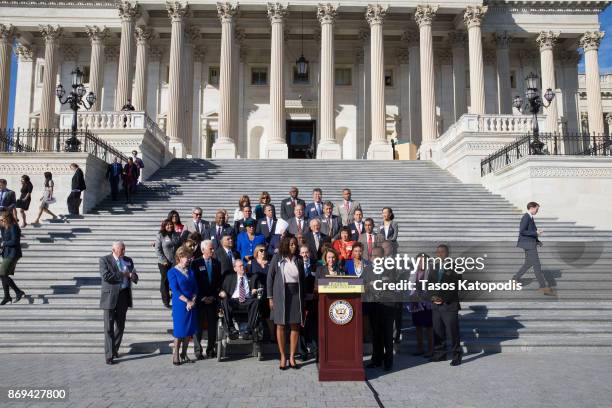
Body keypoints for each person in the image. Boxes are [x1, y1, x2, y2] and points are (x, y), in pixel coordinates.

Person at [267, 235, 305, 370]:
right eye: (291, 244)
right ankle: (283, 356)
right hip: (280, 294)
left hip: (296, 294)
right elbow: (270, 278)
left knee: (295, 325)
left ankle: (292, 357)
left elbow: (303, 280)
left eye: (295, 244)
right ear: (285, 245)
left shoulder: (299, 260)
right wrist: (270, 297)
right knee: (281, 325)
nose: (294, 246)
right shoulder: (277, 258)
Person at [99, 241, 138, 365]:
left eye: (124, 249)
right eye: (122, 249)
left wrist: (133, 276)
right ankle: (109, 355)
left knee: (120, 326)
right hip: (110, 297)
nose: (124, 252)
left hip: (123, 296)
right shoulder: (104, 260)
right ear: (114, 250)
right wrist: (123, 274)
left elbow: (134, 275)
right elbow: (106, 276)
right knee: (108, 327)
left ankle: (114, 348)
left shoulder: (128, 260)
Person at [428, 244, 462, 366]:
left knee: (452, 332)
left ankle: (456, 355)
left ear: (448, 253)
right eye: (438, 252)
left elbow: (457, 286)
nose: (440, 254)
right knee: (438, 330)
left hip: (449, 305)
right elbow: (429, 284)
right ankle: (440, 354)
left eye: (442, 252)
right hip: (436, 306)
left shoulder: (455, 266)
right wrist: (432, 297)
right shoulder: (434, 267)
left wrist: (442, 298)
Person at [513, 202, 554, 295]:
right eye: (537, 209)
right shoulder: (526, 217)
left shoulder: (530, 217)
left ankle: (514, 279)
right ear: (531, 207)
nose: (537, 211)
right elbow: (522, 231)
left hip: (530, 243)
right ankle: (543, 287)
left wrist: (537, 240)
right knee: (537, 266)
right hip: (528, 245)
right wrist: (536, 233)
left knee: (528, 263)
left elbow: (531, 231)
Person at [364, 246, 395, 371]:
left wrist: (377, 284)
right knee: (376, 334)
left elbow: (391, 283)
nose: (374, 258)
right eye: (372, 256)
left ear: (383, 257)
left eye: (377, 256)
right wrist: (368, 285)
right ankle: (376, 360)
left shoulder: (390, 268)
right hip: (373, 305)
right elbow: (361, 283)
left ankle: (388, 361)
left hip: (387, 305)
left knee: (387, 335)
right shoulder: (367, 269)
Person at [167, 245, 199, 365]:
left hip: (191, 304)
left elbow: (196, 287)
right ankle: (176, 354)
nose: (189, 259)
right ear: (180, 257)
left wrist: (193, 300)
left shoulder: (190, 271)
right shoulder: (172, 272)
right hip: (180, 304)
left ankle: (184, 353)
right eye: (187, 257)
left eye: (190, 257)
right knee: (179, 331)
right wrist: (187, 301)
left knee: (189, 330)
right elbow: (175, 290)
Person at [192, 240, 222, 359]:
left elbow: (218, 282)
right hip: (200, 300)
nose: (213, 251)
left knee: (212, 327)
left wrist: (213, 296)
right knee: (198, 327)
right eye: (211, 249)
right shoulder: (195, 263)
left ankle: (211, 350)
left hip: (212, 300)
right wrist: (202, 297)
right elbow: (194, 282)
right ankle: (198, 351)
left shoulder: (216, 263)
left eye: (213, 248)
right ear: (203, 250)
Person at [219, 259, 261, 340]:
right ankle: (231, 328)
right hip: (234, 301)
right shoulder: (229, 278)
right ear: (235, 269)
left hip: (247, 300)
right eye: (240, 266)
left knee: (256, 301)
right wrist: (222, 292)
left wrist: (255, 290)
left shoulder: (252, 277)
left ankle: (248, 330)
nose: (242, 267)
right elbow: (221, 289)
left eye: (243, 265)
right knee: (225, 301)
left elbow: (260, 288)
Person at [407, 253, 433, 357]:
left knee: (429, 327)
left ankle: (431, 349)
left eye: (423, 260)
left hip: (427, 303)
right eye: (419, 260)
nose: (421, 262)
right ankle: (420, 348)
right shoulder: (413, 272)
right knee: (418, 326)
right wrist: (412, 294)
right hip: (416, 303)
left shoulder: (431, 272)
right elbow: (409, 285)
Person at [248, 244, 274, 342]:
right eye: (261, 250)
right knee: (258, 313)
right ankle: (256, 335)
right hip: (256, 291)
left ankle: (272, 336)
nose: (263, 252)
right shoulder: (252, 263)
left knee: (268, 314)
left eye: (264, 250)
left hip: (268, 291)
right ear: (257, 252)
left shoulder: (270, 263)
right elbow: (249, 277)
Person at [155, 219, 183, 308]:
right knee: (165, 281)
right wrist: (163, 260)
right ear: (164, 226)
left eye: (171, 225)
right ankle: (166, 300)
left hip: (175, 262)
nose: (170, 226)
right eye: (167, 225)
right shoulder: (160, 235)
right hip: (164, 263)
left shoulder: (176, 235)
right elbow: (158, 249)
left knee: (175, 281)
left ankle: (175, 298)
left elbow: (180, 247)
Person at [0, 212, 25, 305]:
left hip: (13, 254)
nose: (2, 221)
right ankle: (7, 296)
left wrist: (4, 244)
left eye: (3, 219)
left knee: (2, 274)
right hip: (7, 254)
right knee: (3, 276)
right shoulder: (6, 228)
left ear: (8, 219)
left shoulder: (14, 227)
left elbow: (15, 241)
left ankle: (18, 292)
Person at [299, 244, 316, 360]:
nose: (305, 255)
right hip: (300, 300)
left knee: (313, 326)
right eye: (303, 253)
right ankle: (303, 352)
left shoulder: (316, 266)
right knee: (301, 326)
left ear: (309, 253)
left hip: (313, 300)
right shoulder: (297, 265)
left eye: (306, 252)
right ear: (300, 254)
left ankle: (316, 351)